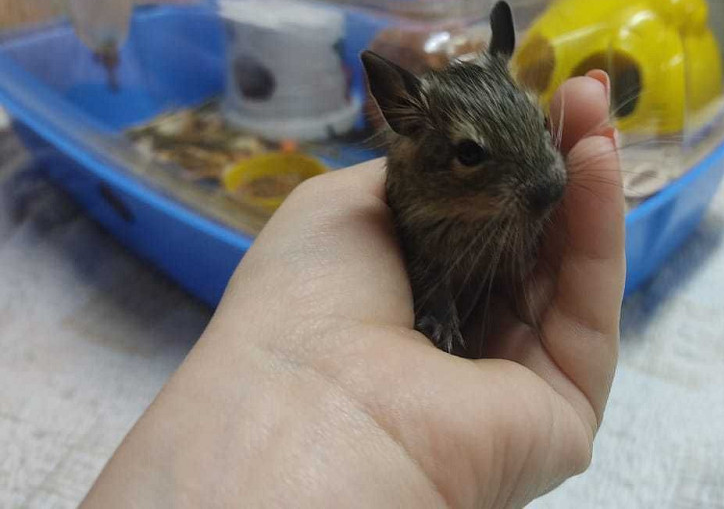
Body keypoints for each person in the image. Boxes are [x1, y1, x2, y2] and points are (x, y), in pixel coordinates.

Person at [81, 72, 624, 508]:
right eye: (472, 155)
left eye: (536, 126)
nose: (552, 177)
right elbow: (424, 255)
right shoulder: (409, 203)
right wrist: (435, 313)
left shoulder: (516, 195)